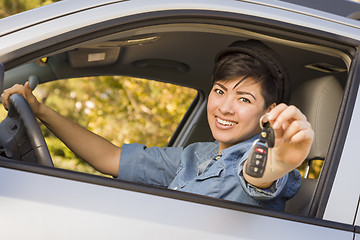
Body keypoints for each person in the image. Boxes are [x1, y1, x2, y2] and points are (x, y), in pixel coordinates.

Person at [1, 39, 314, 210]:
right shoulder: (197, 156)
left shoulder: (258, 159)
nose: (225, 107)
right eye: (220, 91)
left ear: (268, 111)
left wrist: (278, 162)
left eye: (244, 99)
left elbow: (257, 178)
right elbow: (110, 158)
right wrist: (40, 111)